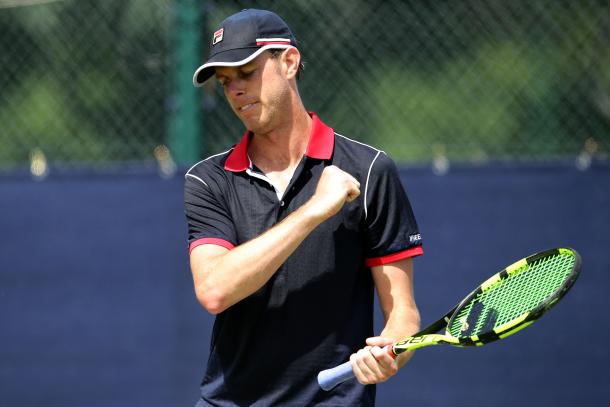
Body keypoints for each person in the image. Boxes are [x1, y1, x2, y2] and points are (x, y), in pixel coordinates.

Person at [184, 8, 423, 406]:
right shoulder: (209, 179)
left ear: (289, 62)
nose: (236, 90)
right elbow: (214, 290)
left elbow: (403, 313)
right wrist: (315, 210)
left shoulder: (370, 170)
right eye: (226, 83)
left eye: (247, 72)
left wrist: (391, 352)